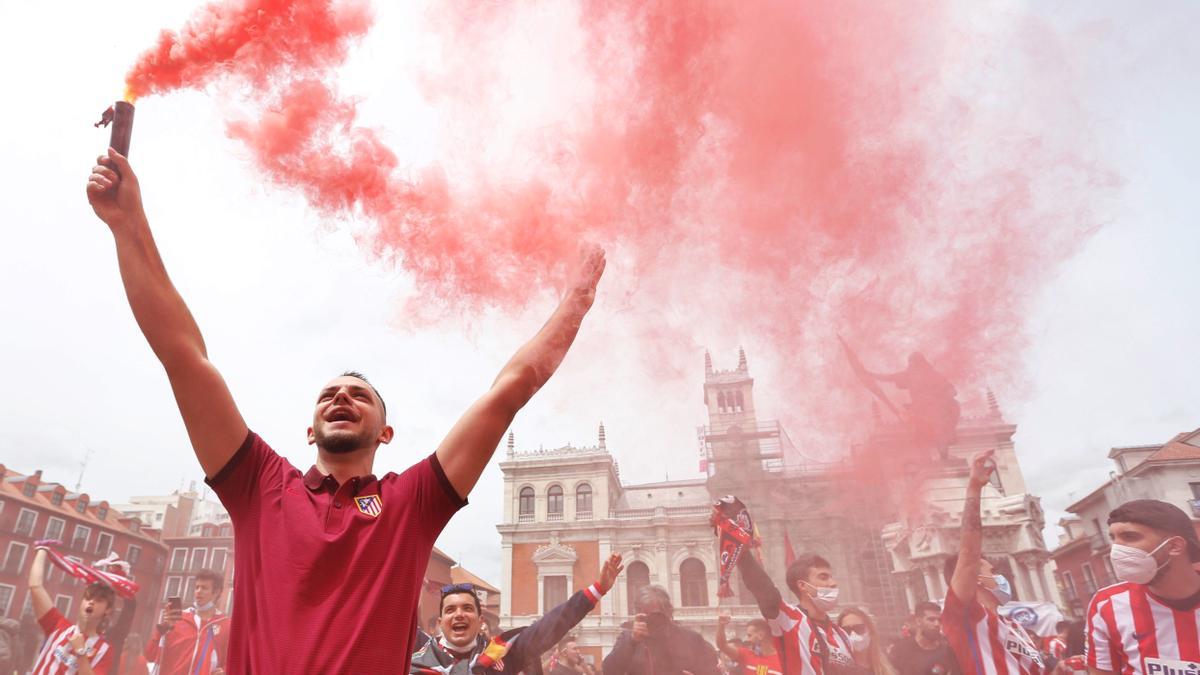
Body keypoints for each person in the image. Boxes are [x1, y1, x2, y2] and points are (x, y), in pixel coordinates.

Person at [86, 149, 607, 672]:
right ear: (309, 431)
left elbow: (506, 394)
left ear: (385, 433)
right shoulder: (260, 484)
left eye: (360, 396)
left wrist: (576, 302)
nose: (341, 398)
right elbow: (184, 356)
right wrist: (128, 224)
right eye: (328, 395)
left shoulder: (412, 503)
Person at [410, 553, 624, 674]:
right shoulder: (419, 651)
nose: (459, 614)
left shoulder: (503, 654)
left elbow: (551, 625)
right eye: (450, 610)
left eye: (467, 608)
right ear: (440, 621)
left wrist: (598, 589)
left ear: (480, 620)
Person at [713, 499, 858, 675]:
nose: (833, 583)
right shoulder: (790, 620)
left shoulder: (842, 636)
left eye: (831, 577)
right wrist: (736, 543)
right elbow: (763, 589)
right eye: (823, 577)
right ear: (803, 586)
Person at [941, 450, 1043, 675]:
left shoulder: (1014, 626)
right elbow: (968, 554)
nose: (999, 576)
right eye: (992, 570)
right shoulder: (965, 617)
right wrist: (974, 490)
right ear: (975, 577)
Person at [1085, 499, 1200, 675]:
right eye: (1113, 538)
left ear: (1174, 546)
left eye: (1130, 537)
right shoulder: (1106, 605)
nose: (1116, 549)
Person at [27, 546, 115, 674]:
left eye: (98, 600)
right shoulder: (58, 625)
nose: (91, 601)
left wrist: (80, 652)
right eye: (88, 598)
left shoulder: (104, 650)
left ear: (107, 610)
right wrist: (42, 550)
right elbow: (35, 586)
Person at [602, 584, 719, 675]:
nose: (654, 621)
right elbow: (609, 670)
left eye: (657, 615)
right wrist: (632, 641)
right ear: (638, 613)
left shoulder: (691, 639)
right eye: (648, 616)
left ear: (669, 611)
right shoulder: (628, 639)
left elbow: (713, 671)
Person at [144, 570, 230, 675]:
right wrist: (163, 629)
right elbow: (150, 655)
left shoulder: (226, 625)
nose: (198, 591)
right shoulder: (178, 619)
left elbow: (233, 660)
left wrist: (225, 671)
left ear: (217, 592)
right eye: (197, 587)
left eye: (204, 588)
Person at [887, 602, 958, 675]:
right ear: (918, 621)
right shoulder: (900, 650)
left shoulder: (948, 650)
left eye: (939, 620)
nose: (937, 624)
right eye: (931, 619)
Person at [716, 613, 782, 675]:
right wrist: (721, 625)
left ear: (760, 635)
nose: (748, 640)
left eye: (750, 635)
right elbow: (722, 645)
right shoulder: (746, 654)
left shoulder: (783, 661)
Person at [838, 608, 896, 675]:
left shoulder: (883, 666)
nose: (853, 634)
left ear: (870, 630)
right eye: (846, 630)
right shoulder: (839, 669)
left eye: (859, 628)